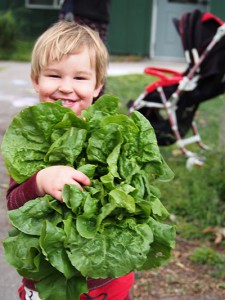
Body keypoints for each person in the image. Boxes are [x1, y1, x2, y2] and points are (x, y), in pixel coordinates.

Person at [6, 21, 134, 300]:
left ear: (97, 85)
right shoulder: (30, 138)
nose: (66, 88)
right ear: (35, 79)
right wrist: (40, 181)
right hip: (49, 275)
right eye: (53, 75)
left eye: (79, 78)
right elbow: (14, 205)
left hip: (106, 277)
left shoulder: (111, 133)